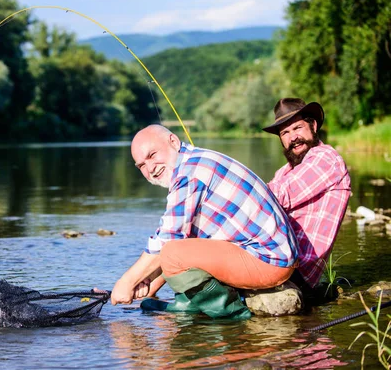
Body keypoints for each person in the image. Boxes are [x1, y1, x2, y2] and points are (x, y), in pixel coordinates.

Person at [110, 125, 298, 319]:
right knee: (178, 249)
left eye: (152, 155)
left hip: (269, 260)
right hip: (268, 254)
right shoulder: (193, 162)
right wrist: (148, 285)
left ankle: (233, 315)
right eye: (141, 165)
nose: (150, 168)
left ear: (173, 142)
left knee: (173, 253)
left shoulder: (189, 174)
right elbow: (185, 237)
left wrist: (126, 282)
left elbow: (168, 241)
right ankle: (190, 304)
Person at [263, 98, 351, 297]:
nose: (293, 137)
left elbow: (277, 195)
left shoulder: (325, 158)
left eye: (297, 128)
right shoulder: (285, 171)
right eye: (285, 133)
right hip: (275, 260)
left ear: (313, 125)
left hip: (294, 271)